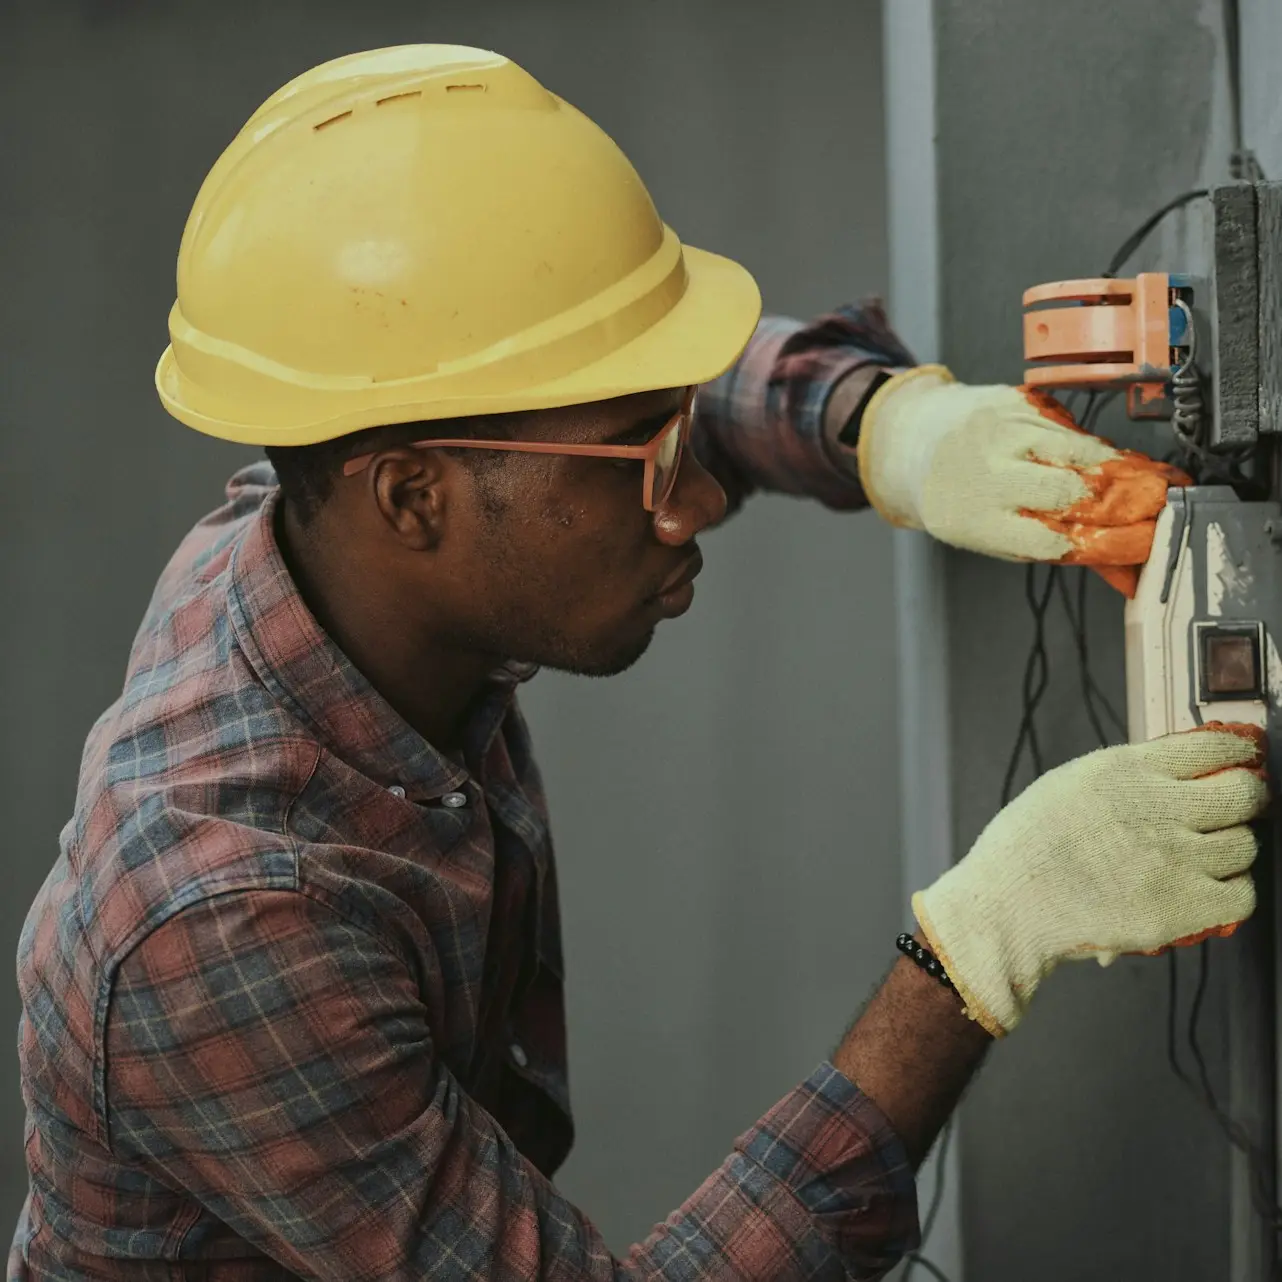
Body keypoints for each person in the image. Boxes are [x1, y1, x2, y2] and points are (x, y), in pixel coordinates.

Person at [10, 45, 1266, 1282]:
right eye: (643, 464)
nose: (692, 508)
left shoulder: (329, 516)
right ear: (410, 499)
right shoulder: (221, 918)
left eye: (676, 434)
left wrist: (879, 425)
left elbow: (601, 392)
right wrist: (977, 947)